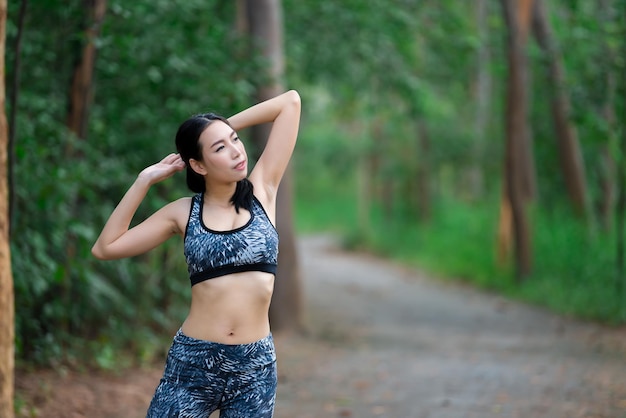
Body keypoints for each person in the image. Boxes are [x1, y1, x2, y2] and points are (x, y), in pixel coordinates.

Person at [91, 90, 301, 417]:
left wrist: (219, 127)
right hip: (193, 365)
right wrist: (144, 180)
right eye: (220, 148)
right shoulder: (182, 213)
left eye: (235, 140)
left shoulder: (264, 191)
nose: (236, 152)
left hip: (255, 367)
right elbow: (106, 247)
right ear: (197, 164)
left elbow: (290, 102)